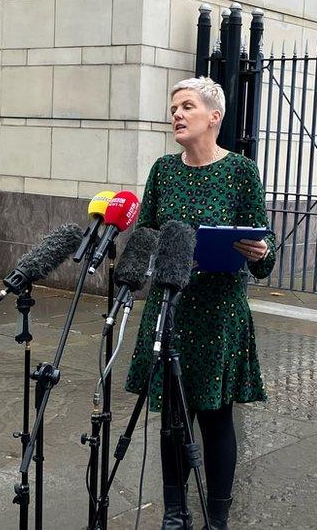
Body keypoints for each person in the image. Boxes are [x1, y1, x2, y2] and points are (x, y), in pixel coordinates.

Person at [124, 76, 275, 530]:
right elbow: (146, 231)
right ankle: (175, 512)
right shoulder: (163, 170)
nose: (176, 115)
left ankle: (218, 518)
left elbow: (262, 250)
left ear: (215, 116)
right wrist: (128, 272)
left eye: (186, 106)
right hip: (170, 309)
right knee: (173, 417)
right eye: (173, 108)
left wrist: (261, 253)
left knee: (214, 416)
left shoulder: (240, 172)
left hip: (218, 312)